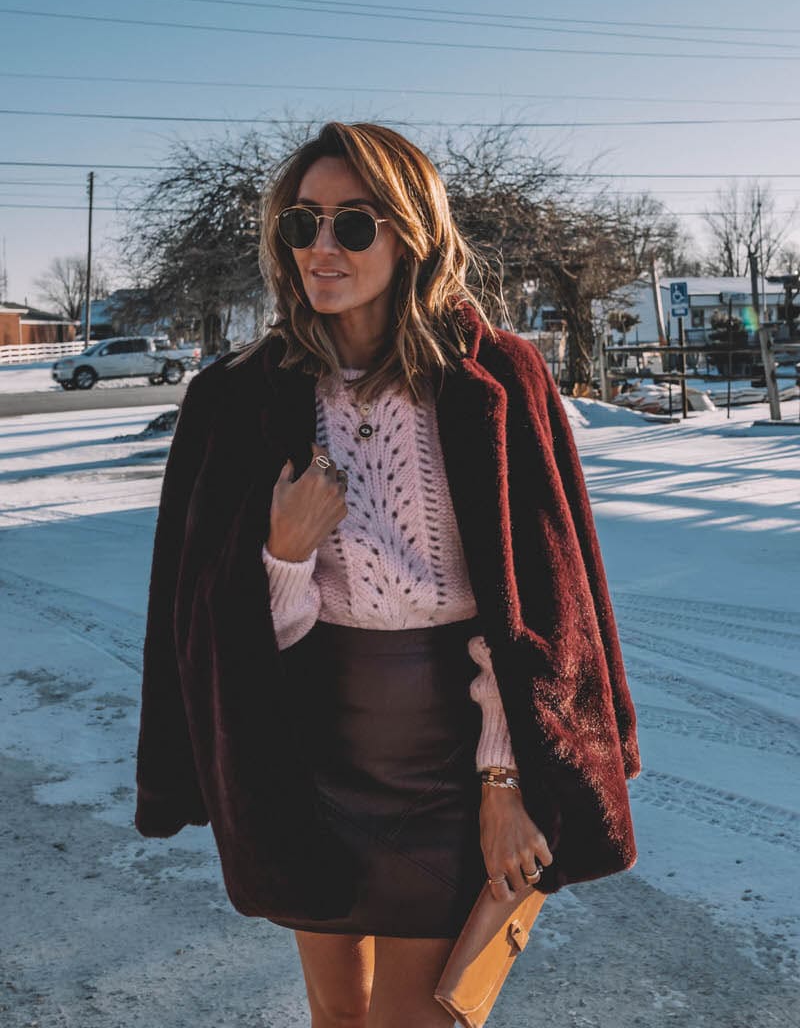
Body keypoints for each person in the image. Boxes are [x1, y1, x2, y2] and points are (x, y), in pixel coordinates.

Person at [134, 121, 641, 1028]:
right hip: (305, 764)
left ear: (412, 232)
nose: (321, 249)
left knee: (421, 1020)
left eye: (353, 225)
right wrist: (286, 554)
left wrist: (502, 780)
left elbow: (544, 603)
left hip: (453, 764)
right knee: (338, 1018)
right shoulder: (237, 399)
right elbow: (206, 630)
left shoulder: (496, 378)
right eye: (301, 225)